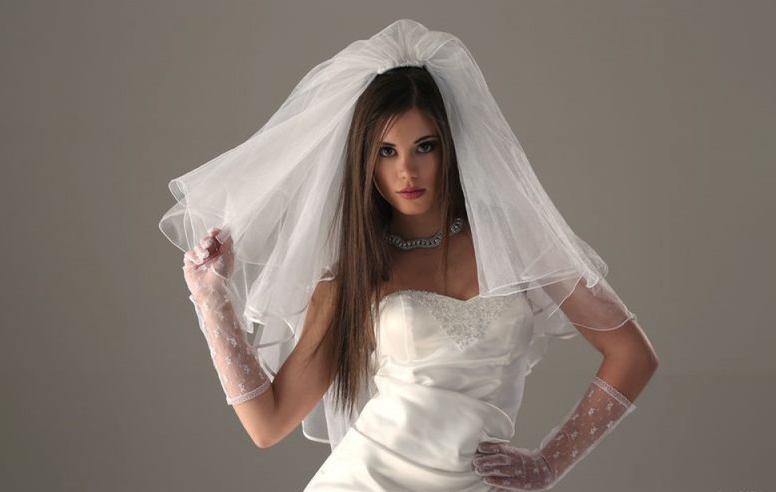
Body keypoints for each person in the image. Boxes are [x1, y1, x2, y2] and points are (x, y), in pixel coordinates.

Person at [167, 19, 658, 491]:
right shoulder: (356, 275)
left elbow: (632, 354)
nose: (407, 171)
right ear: (365, 160)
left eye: (424, 146)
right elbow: (268, 424)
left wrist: (549, 463)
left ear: (451, 147)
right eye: (386, 151)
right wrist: (212, 300)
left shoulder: (515, 242)